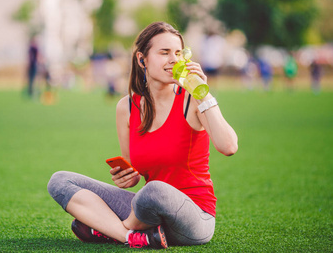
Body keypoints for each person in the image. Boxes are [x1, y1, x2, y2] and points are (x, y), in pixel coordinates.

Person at [47, 22, 238, 249]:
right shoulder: (126, 108)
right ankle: (129, 236)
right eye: (164, 53)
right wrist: (129, 177)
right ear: (142, 59)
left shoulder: (191, 101)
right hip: (147, 211)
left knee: (154, 190)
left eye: (178, 53)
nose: (174, 60)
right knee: (60, 180)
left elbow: (228, 146)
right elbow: (134, 171)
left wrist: (202, 93)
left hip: (194, 217)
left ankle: (110, 229)